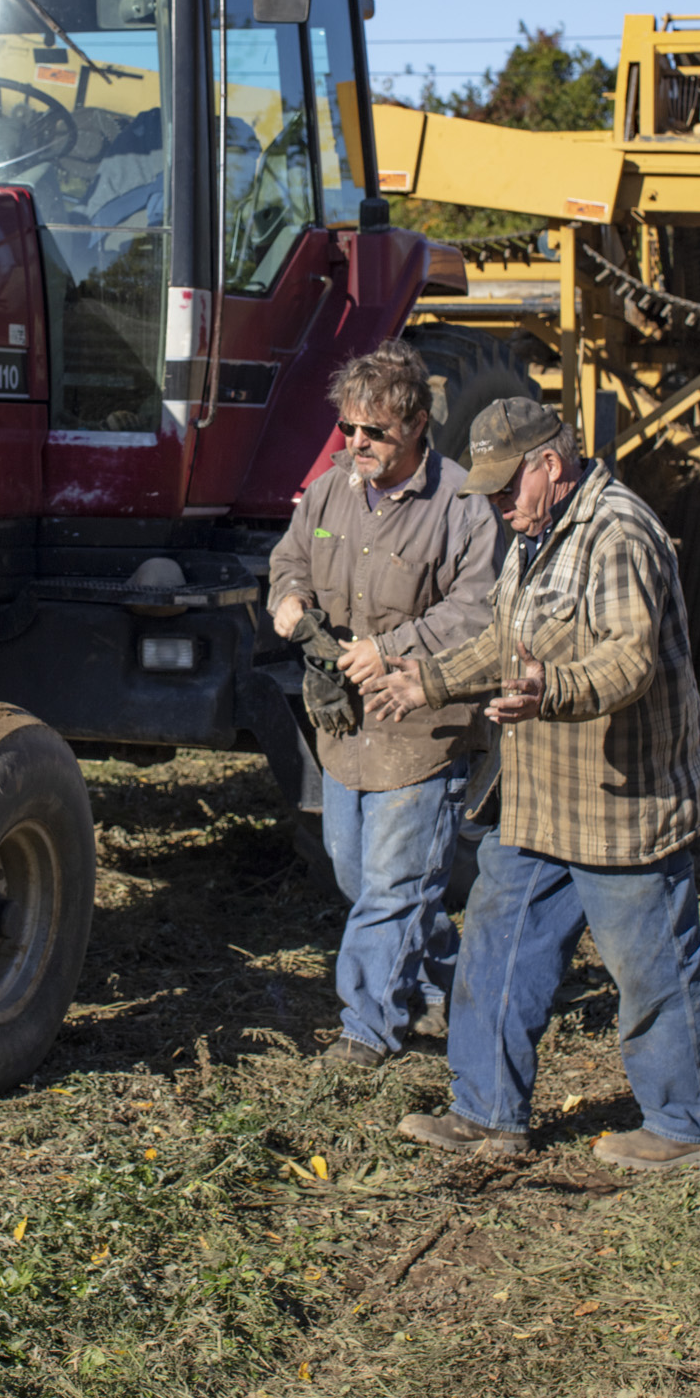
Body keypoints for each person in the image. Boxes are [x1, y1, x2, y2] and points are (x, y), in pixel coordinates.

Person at [363, 397, 700, 1171]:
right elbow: (505, 638)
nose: (496, 506)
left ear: (550, 467)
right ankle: (486, 1111)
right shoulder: (533, 537)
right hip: (536, 797)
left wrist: (550, 690)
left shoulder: (619, 532)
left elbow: (627, 659)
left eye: (505, 489)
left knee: (650, 967)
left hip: (621, 801)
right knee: (495, 950)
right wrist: (425, 681)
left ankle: (686, 1127)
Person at [268, 341, 503, 1068]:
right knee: (354, 873)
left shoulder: (462, 504)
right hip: (346, 730)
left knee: (392, 888)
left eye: (375, 432)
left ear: (418, 426)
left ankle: (367, 1028)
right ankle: (457, 989)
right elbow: (290, 557)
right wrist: (287, 595)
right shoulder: (332, 489)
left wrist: (394, 645)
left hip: (422, 729)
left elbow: (479, 610)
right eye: (348, 430)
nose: (357, 444)